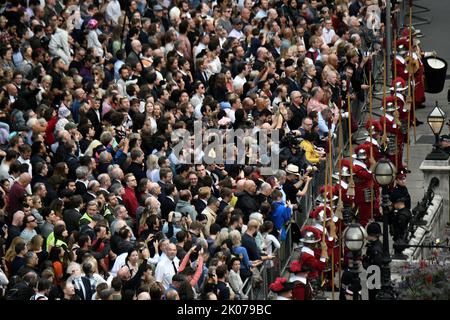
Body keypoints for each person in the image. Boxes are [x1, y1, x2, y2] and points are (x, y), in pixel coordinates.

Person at [362, 222, 383, 300]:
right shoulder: (374, 245)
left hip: (375, 279)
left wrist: (364, 260)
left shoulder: (376, 249)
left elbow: (374, 267)